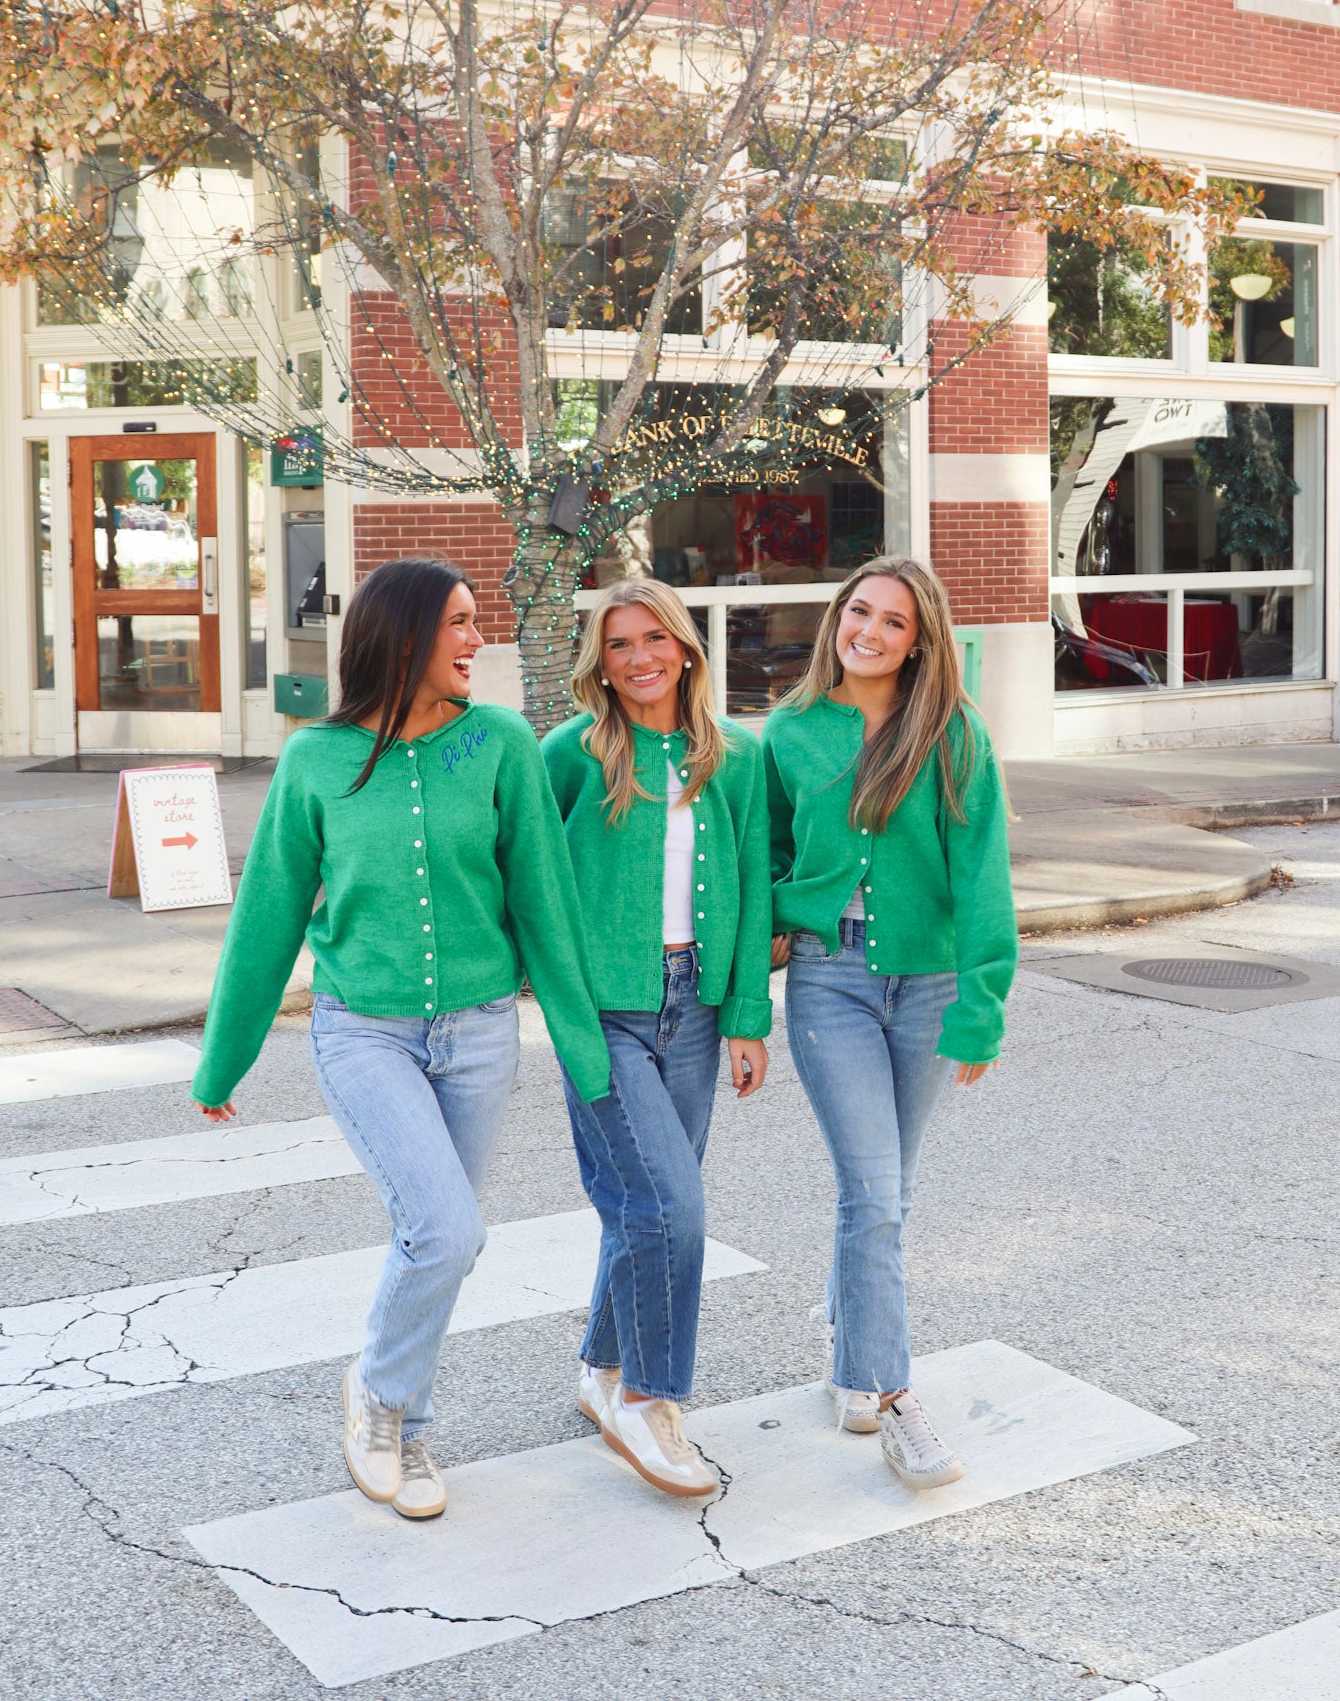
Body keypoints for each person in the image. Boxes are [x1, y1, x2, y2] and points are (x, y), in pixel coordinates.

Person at [190, 558, 608, 1521]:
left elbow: (546, 909)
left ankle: (403, 1423)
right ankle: (381, 1403)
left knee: (436, 1243)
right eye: (459, 625)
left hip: (479, 1032)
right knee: (448, 1229)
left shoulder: (501, 744)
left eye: (477, 623)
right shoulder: (315, 762)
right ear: (403, 636)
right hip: (362, 1031)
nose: (476, 642)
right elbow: (269, 919)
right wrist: (224, 1057)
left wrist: (585, 1054)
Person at [762, 556, 1016, 1491]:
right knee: (871, 1193)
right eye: (858, 610)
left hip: (930, 986)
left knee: (886, 1195)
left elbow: (982, 876)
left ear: (920, 641)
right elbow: (769, 856)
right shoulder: (787, 733)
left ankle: (848, 1349)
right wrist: (766, 962)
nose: (868, 630)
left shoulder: (952, 735)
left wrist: (981, 1009)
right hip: (830, 981)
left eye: (893, 621)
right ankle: (894, 1395)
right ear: (839, 616)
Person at [542, 579, 773, 1498]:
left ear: (685, 648)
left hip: (697, 1005)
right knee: (670, 1208)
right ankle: (647, 1399)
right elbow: (530, 883)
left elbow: (752, 887)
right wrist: (558, 1008)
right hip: (603, 1011)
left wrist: (748, 1017)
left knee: (643, 1206)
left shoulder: (734, 758)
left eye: (653, 640)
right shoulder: (570, 754)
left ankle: (602, 1370)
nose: (638, 659)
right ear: (598, 663)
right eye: (618, 645)